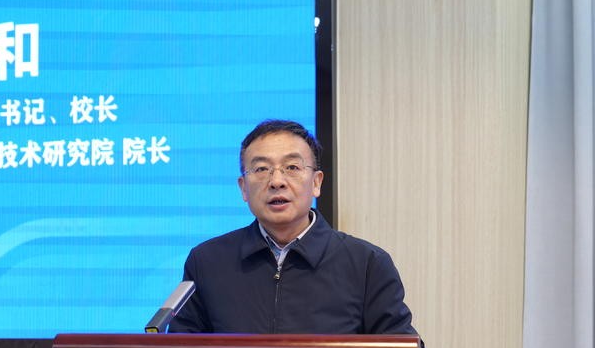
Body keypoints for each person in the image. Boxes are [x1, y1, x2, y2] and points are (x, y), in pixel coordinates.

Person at [168, 119, 417, 335]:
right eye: (261, 169)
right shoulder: (207, 262)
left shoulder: (367, 264)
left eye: (292, 167)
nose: (277, 181)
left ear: (316, 183)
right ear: (243, 188)